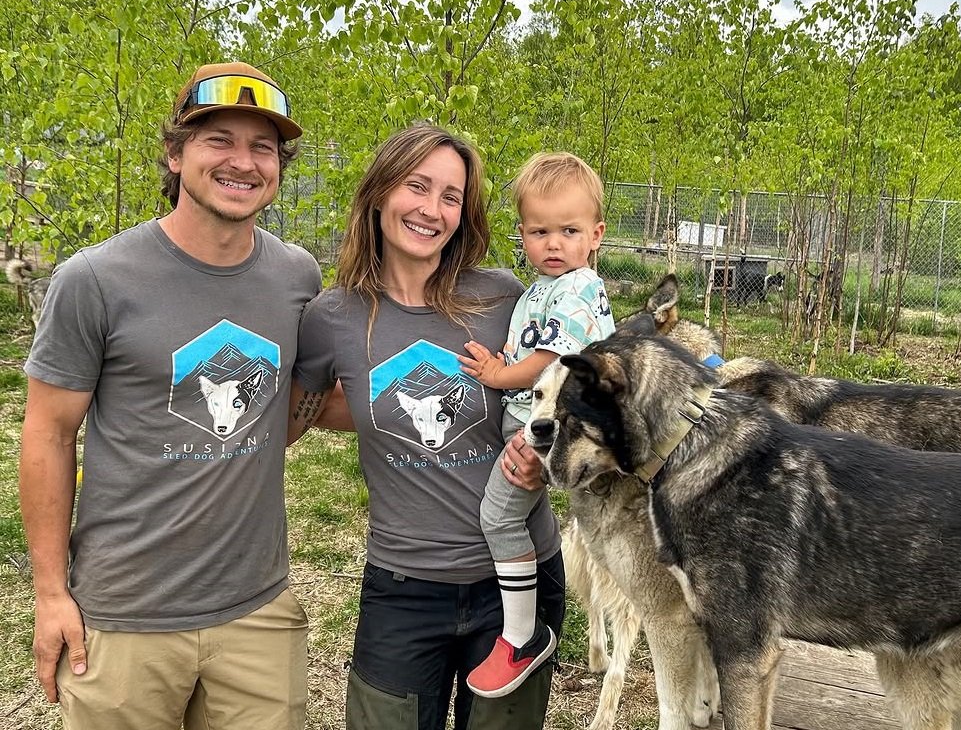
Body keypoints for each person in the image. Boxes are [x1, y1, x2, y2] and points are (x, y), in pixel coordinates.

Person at [18, 61, 322, 730]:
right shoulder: (94, 280)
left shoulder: (297, 276)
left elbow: (296, 399)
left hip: (259, 611)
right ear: (175, 153)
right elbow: (47, 433)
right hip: (123, 616)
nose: (243, 161)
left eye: (263, 146)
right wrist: (50, 595)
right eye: (219, 139)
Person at [288, 123, 564, 730]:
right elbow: (301, 416)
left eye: (451, 196)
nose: (432, 210)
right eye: (417, 186)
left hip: (515, 575)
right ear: (381, 191)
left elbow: (562, 390)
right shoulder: (333, 317)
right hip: (403, 583)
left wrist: (546, 461)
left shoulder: (505, 298)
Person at [456, 152, 613, 697]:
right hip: (530, 423)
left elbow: (550, 360)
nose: (553, 244)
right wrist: (503, 358)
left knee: (499, 518)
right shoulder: (543, 288)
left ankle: (522, 636)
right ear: (522, 234)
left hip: (548, 428)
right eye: (539, 231)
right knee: (511, 515)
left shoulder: (579, 287)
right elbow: (529, 345)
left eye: (569, 231)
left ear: (595, 235)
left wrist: (498, 374)